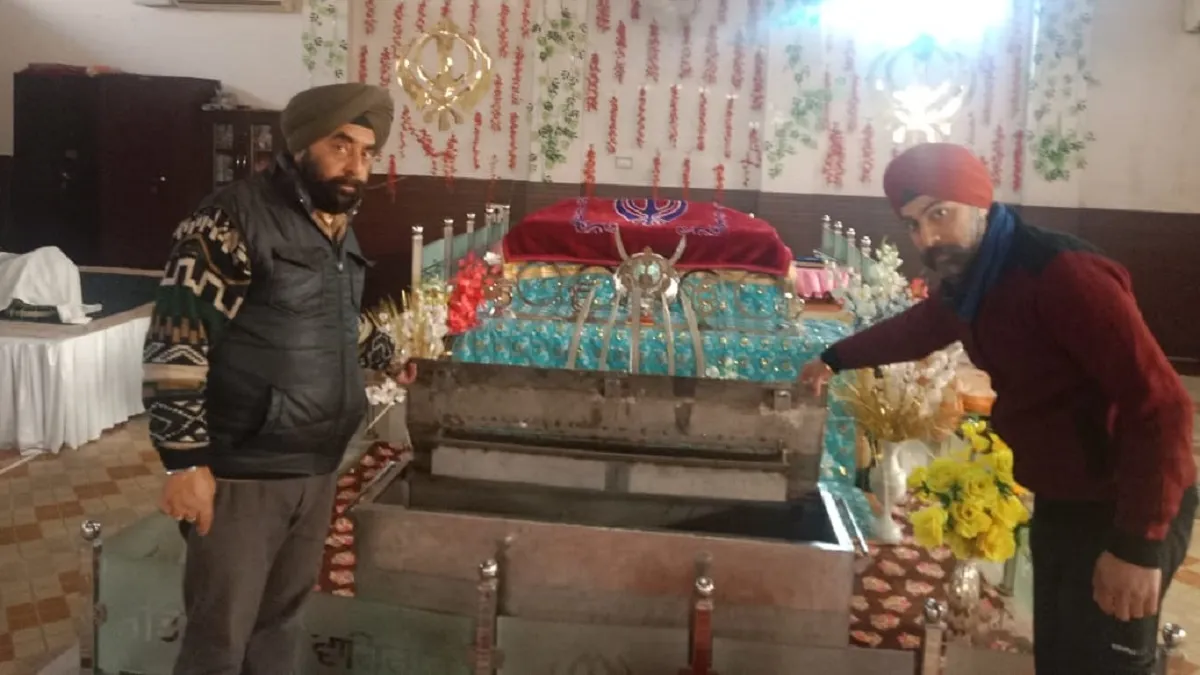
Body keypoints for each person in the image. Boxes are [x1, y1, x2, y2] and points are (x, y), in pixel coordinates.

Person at [800, 143, 1196, 675]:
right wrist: (834, 358)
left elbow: (1162, 405)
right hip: (1066, 496)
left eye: (940, 213)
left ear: (980, 204)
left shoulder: (1063, 274)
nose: (928, 237)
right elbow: (921, 327)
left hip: (1126, 499)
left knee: (1107, 663)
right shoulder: (976, 279)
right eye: (914, 224)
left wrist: (1138, 546)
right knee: (1060, 655)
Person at [142, 83, 410, 675]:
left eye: (367, 153)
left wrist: (387, 353)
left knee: (279, 629)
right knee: (219, 639)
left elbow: (331, 318)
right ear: (301, 144)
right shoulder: (229, 219)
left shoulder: (335, 226)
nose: (356, 165)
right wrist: (184, 461)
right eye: (341, 145)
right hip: (245, 471)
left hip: (316, 465)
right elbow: (176, 341)